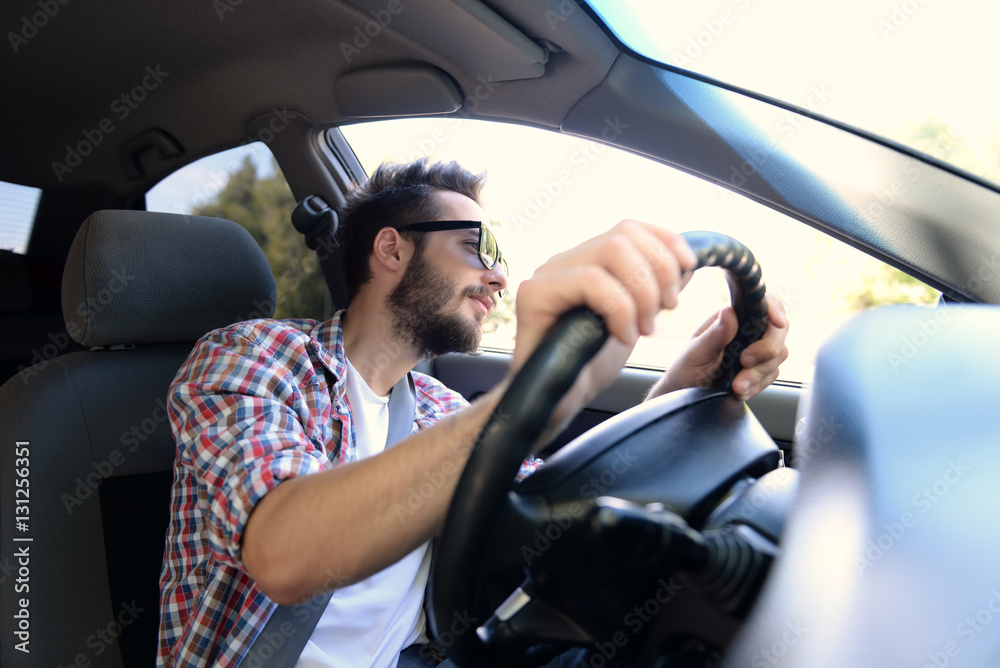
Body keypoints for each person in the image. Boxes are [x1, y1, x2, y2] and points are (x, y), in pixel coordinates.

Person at [156, 159, 789, 667]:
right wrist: (531, 399)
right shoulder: (253, 356)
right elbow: (285, 555)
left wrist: (686, 391)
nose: (498, 278)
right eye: (476, 245)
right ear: (391, 249)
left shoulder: (440, 409)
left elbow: (558, 511)